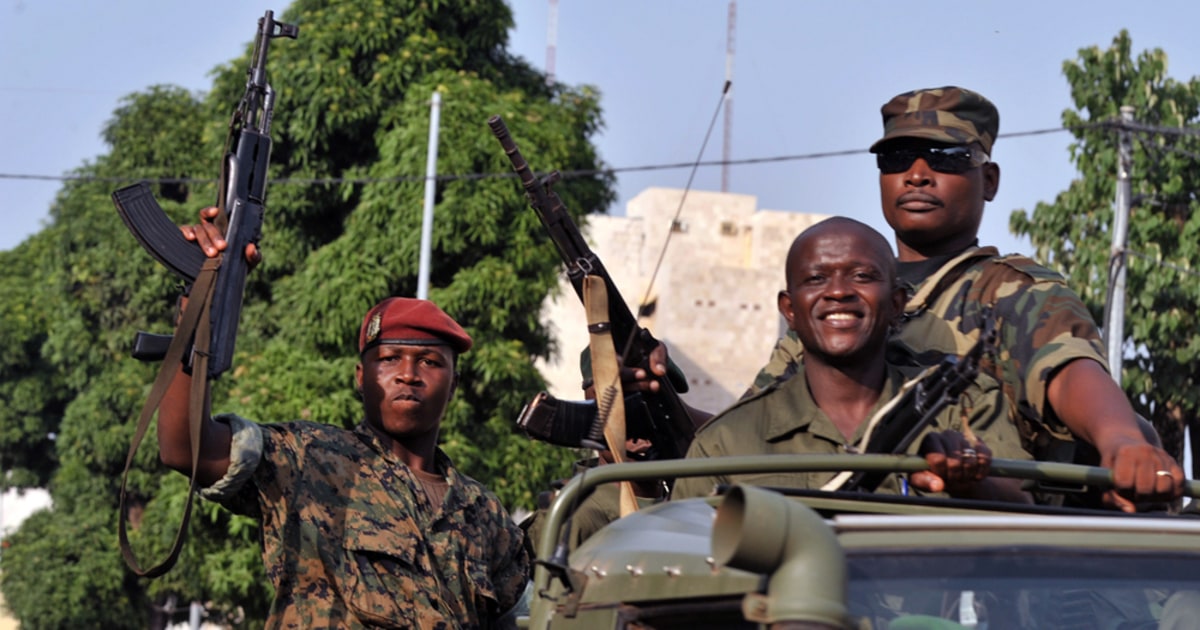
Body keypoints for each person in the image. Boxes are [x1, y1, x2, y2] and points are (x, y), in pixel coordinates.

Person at [748, 86, 1183, 511]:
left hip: (984, 538)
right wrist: (675, 399)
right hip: (838, 534)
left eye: (946, 158)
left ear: (989, 181)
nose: (916, 174)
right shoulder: (838, 304)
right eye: (896, 159)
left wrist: (1121, 440)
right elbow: (744, 433)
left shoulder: (1011, 291)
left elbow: (1068, 370)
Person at [157, 208, 529, 628]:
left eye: (429, 361)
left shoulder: (485, 514)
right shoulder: (307, 459)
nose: (408, 373)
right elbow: (184, 448)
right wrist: (198, 307)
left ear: (454, 383)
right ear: (361, 377)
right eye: (389, 359)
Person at [671, 217, 1031, 501]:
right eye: (816, 278)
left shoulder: (962, 407)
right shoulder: (727, 444)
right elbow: (689, 566)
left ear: (895, 304)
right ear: (789, 309)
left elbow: (1027, 520)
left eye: (862, 276)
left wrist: (969, 482)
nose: (839, 291)